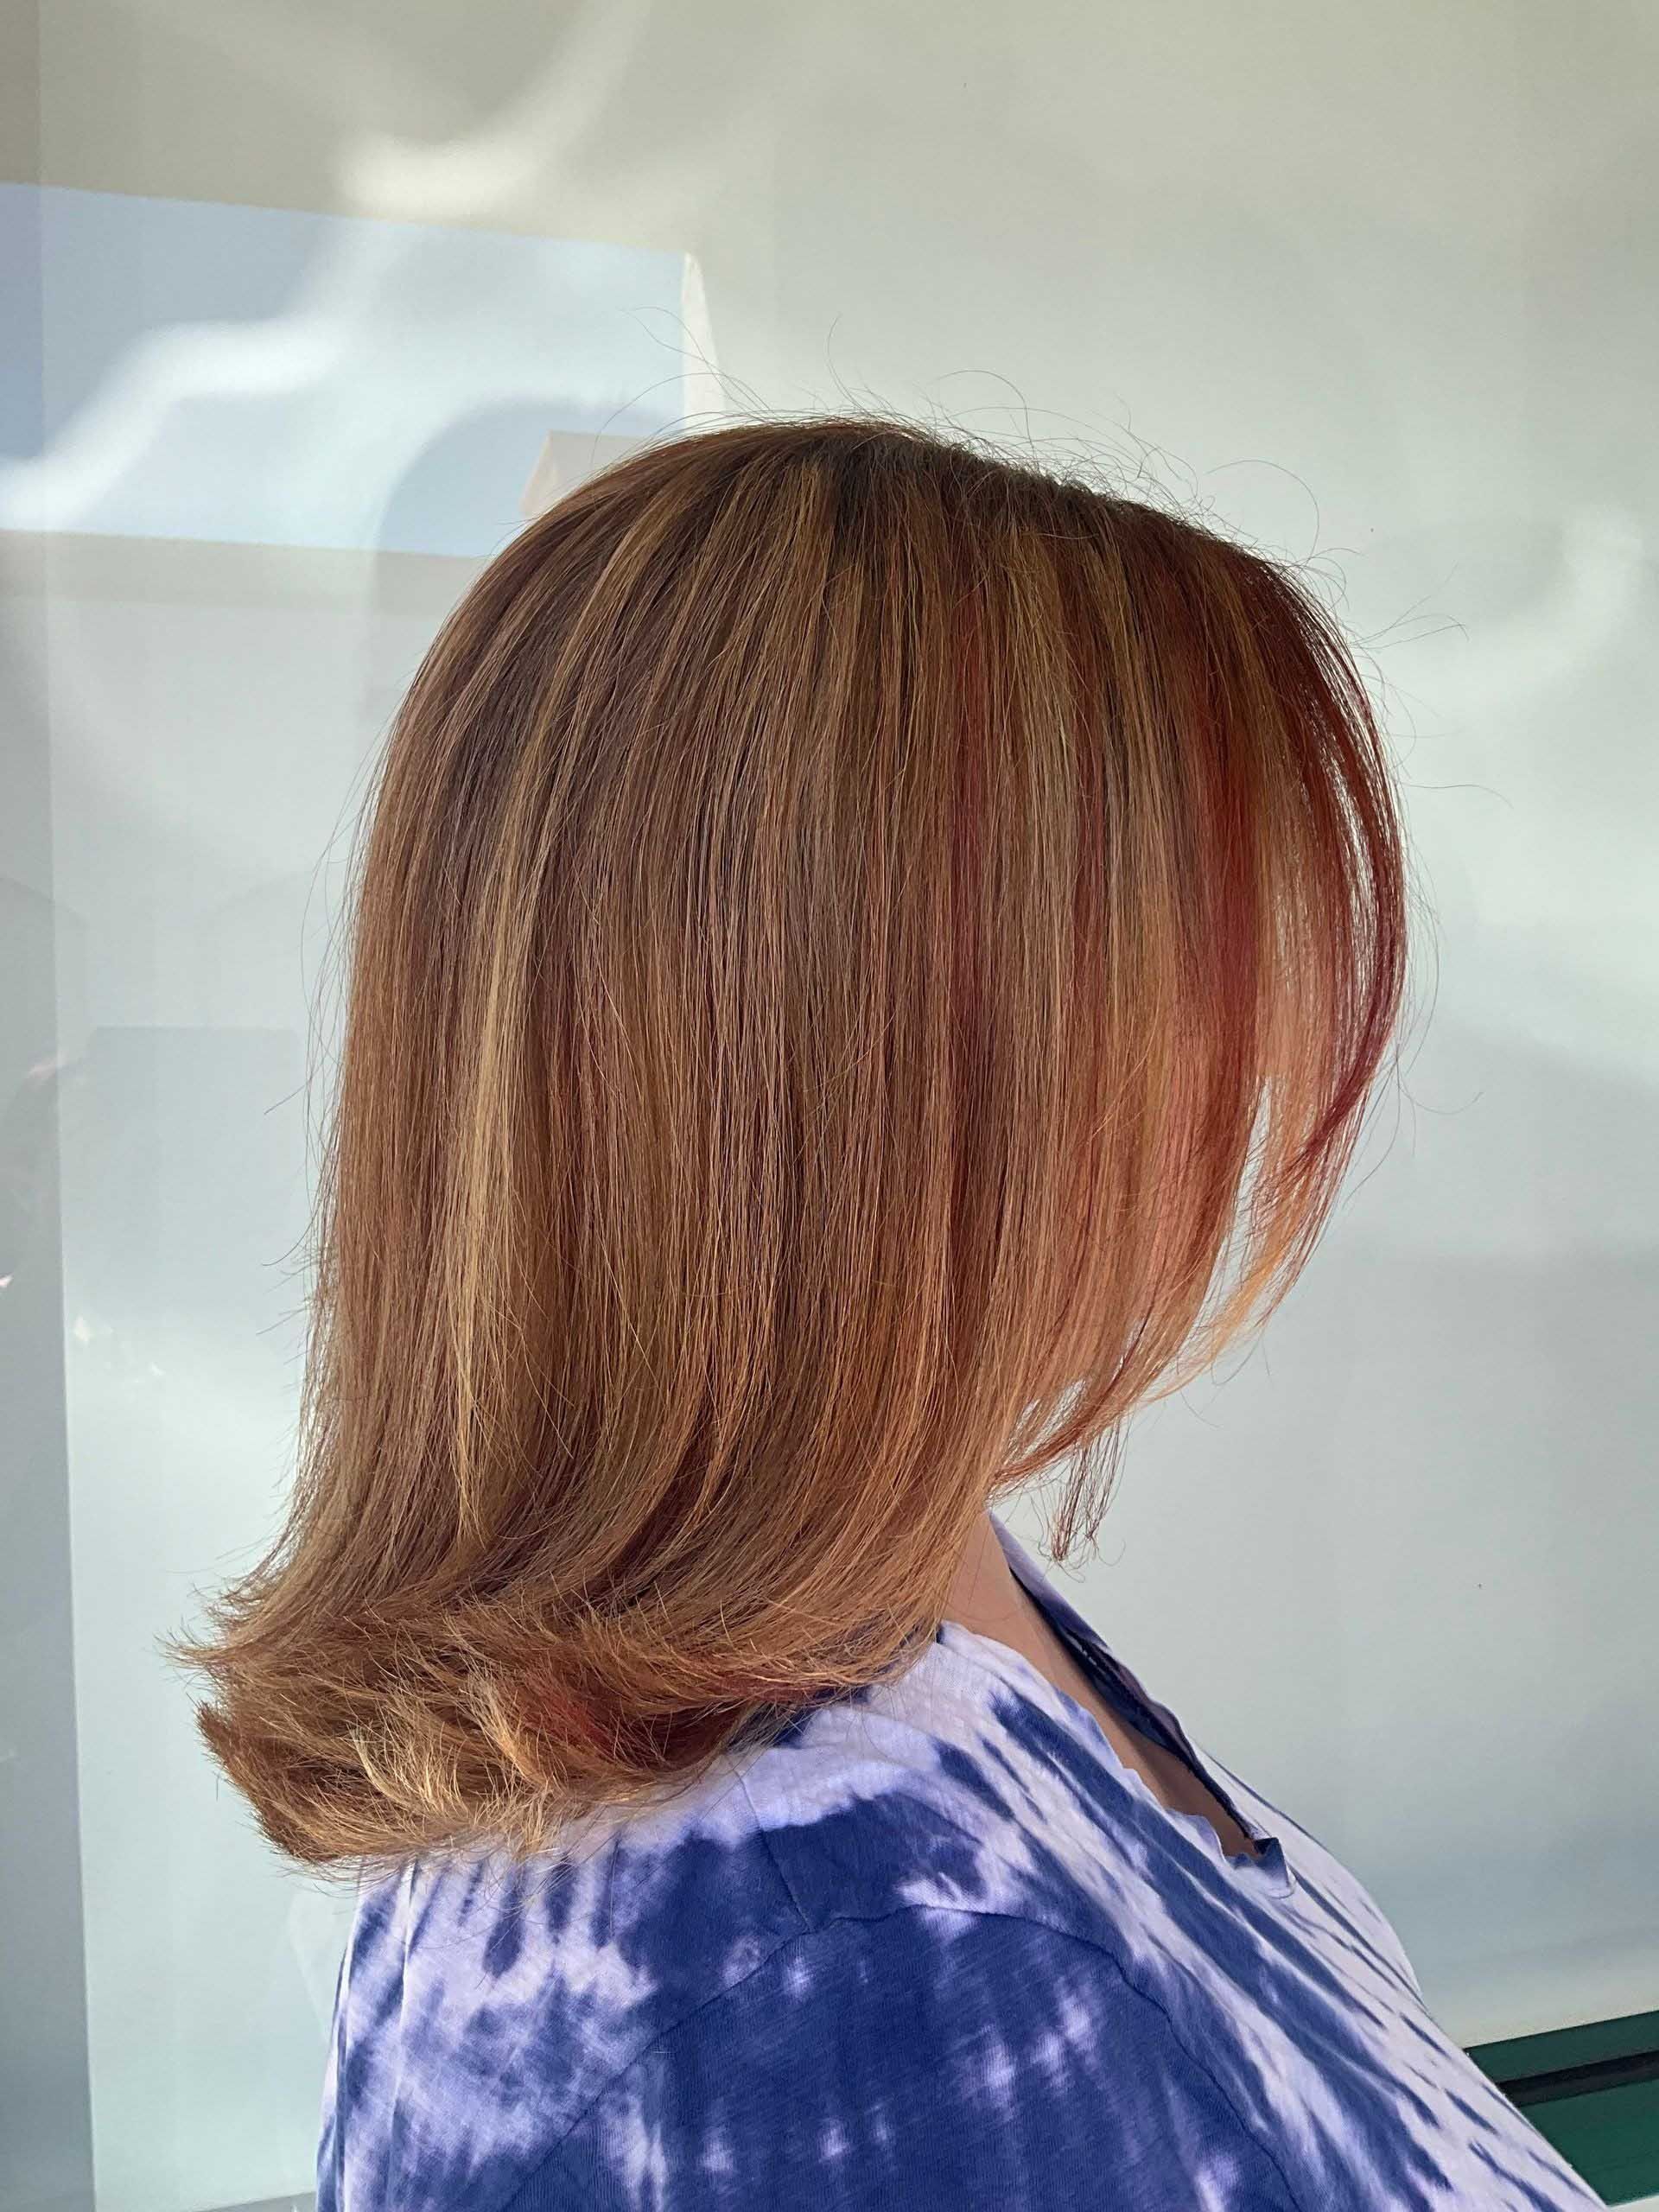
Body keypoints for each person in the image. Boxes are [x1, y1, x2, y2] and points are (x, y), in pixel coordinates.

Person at [172, 415, 1605, 2207]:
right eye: (1203, 962)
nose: (1263, 1069)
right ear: (909, 1055)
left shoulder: (892, 1616)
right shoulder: (825, 1978)